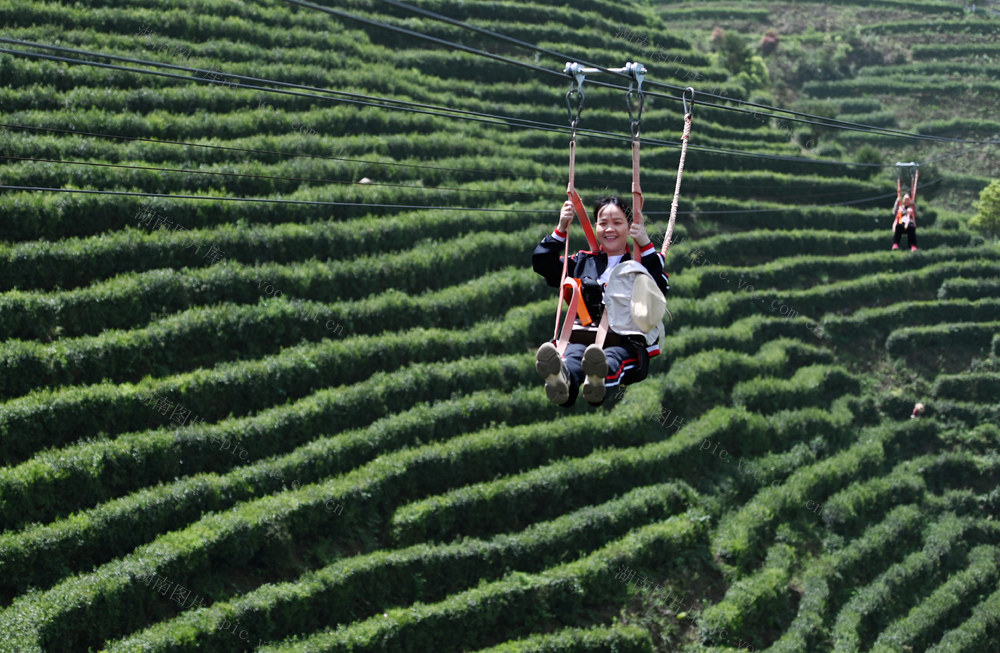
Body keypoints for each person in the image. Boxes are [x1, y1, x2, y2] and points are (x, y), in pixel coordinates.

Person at [532, 196, 669, 406]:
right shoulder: (582, 261)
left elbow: (659, 287)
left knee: (610, 358)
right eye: (603, 223)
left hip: (626, 341)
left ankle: (597, 378)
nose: (609, 229)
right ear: (595, 226)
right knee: (574, 356)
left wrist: (645, 243)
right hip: (582, 335)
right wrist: (561, 229)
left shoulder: (640, 263)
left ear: (630, 226)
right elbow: (543, 264)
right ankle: (563, 378)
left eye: (617, 223)